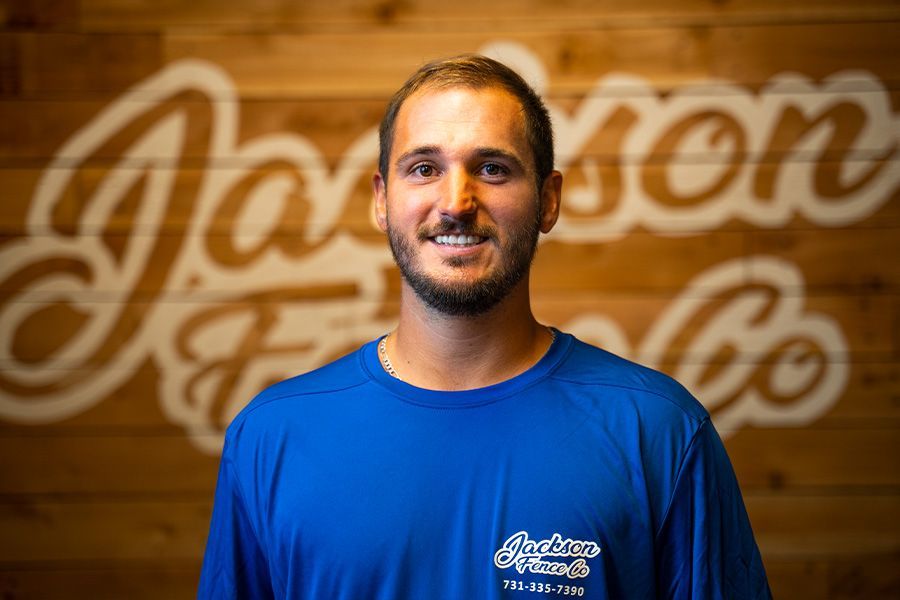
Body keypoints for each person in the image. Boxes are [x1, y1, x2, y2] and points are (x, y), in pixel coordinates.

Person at [198, 54, 772, 599]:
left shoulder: (659, 431)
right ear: (382, 199)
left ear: (548, 201)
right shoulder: (271, 438)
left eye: (492, 169)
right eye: (424, 169)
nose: (455, 202)